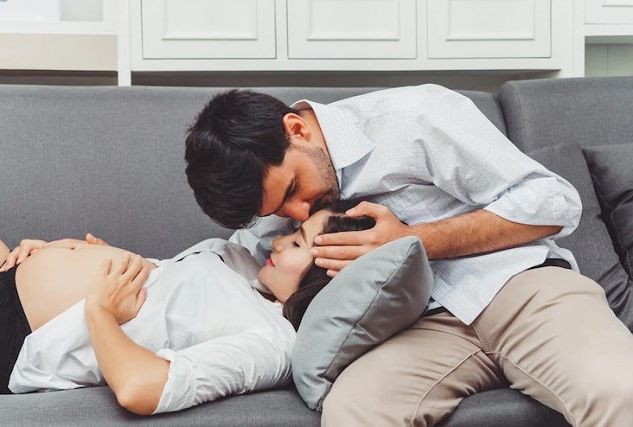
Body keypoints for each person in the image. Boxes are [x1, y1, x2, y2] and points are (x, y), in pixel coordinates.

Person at [184, 85, 633, 426]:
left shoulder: (413, 118)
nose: (296, 214)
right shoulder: (273, 198)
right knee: (352, 412)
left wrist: (416, 238)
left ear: (296, 130)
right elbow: (228, 259)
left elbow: (554, 202)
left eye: (294, 191)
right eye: (279, 211)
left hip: (518, 286)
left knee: (617, 390)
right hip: (417, 331)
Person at [0, 204, 374, 415]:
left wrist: (101, 312)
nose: (276, 243)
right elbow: (162, 293)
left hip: (11, 339)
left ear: (323, 279)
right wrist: (86, 252)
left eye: (295, 244)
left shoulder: (272, 344)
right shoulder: (241, 262)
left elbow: (139, 389)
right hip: (8, 273)